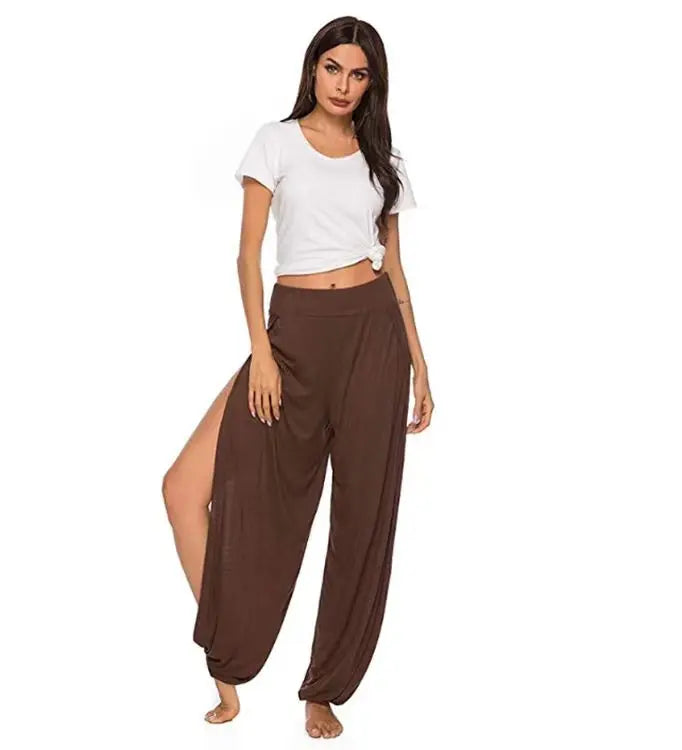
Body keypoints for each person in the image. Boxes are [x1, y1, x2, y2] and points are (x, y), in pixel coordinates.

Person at [162, 15, 434, 740]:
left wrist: (420, 362)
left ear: (372, 83)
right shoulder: (275, 142)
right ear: (313, 68)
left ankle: (324, 690)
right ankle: (229, 659)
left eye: (359, 74)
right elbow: (248, 255)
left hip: (374, 337)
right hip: (291, 337)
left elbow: (395, 269)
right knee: (184, 488)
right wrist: (261, 350)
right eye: (333, 68)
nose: (344, 85)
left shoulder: (383, 160)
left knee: (362, 518)